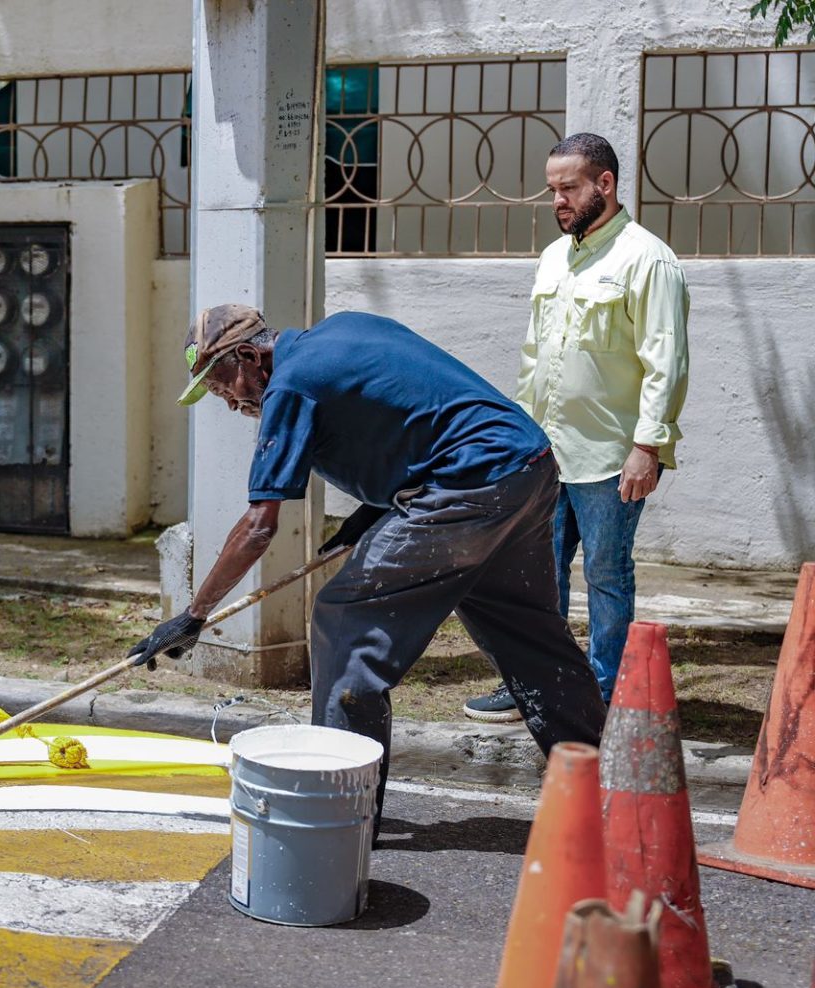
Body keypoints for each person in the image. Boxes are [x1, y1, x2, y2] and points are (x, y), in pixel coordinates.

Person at [129, 305, 607, 833]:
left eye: (224, 387)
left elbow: (259, 525)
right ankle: (604, 787)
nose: (232, 403)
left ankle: (340, 815)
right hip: (523, 467)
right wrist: (369, 517)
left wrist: (195, 615)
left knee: (345, 622)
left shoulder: (290, 385)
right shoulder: (345, 329)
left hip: (468, 488)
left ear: (249, 356)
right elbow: (416, 419)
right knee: (525, 632)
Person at [464, 132, 689, 722]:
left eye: (568, 188)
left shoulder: (647, 259)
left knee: (607, 575)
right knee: (537, 575)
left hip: (612, 453)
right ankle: (537, 684)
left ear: (605, 184)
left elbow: (666, 361)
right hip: (545, 450)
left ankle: (602, 692)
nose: (558, 201)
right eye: (553, 190)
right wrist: (516, 437)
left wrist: (649, 445)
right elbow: (535, 357)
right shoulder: (554, 258)